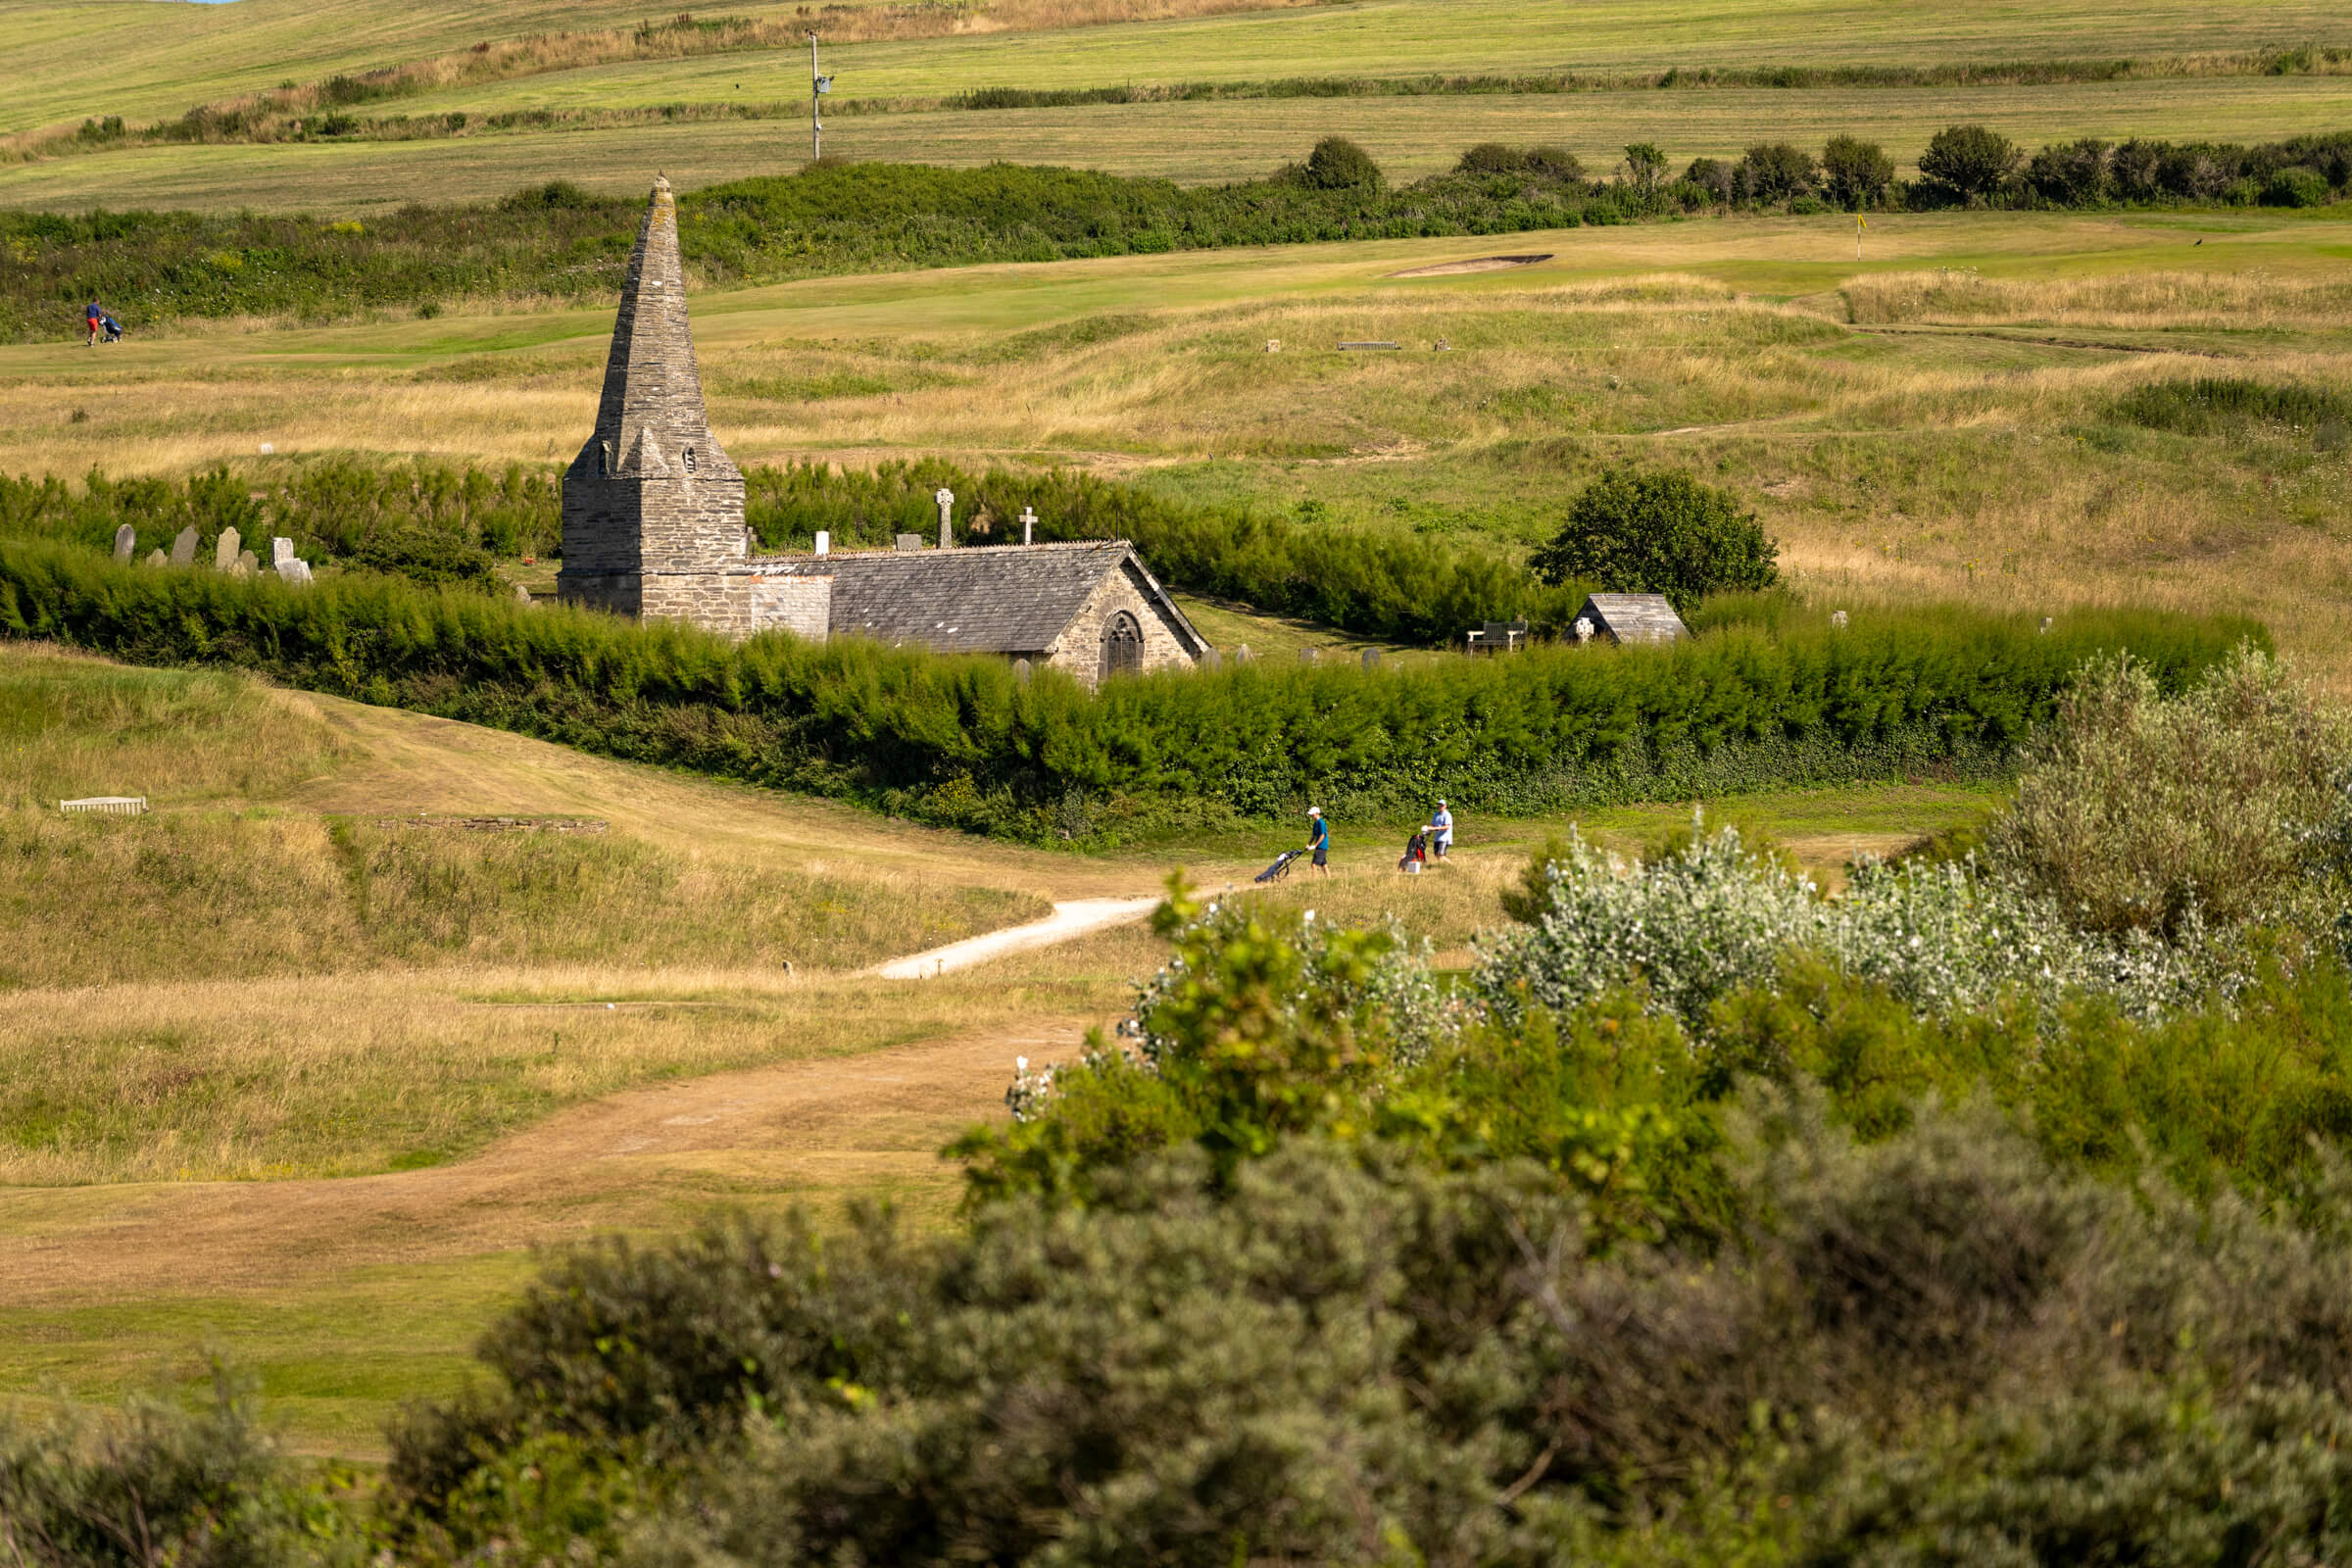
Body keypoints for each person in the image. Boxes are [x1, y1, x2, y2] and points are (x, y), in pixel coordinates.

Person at [1304, 806, 1330, 877]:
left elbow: (1322, 835)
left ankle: (1314, 881)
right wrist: (1308, 844)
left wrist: (1315, 845)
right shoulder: (1316, 823)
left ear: (1317, 813)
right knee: (1323, 864)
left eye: (1312, 814)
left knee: (1313, 864)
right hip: (1319, 846)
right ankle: (1329, 879)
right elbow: (1314, 835)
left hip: (1322, 846)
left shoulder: (1321, 823)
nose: (1311, 816)